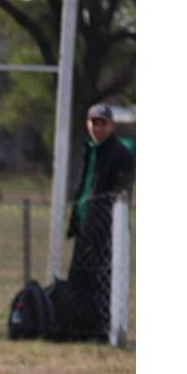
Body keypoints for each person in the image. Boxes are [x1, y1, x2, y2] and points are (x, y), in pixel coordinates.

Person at [65, 103, 135, 339]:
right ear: (88, 124)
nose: (98, 128)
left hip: (107, 232)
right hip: (84, 227)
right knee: (79, 279)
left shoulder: (121, 154)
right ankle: (79, 328)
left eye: (103, 123)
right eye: (94, 123)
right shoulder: (89, 150)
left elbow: (121, 195)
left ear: (112, 125)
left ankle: (104, 329)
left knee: (102, 282)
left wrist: (106, 225)